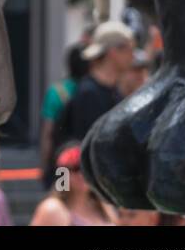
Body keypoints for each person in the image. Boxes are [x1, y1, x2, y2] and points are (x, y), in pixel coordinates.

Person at [54, 20, 135, 155]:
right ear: (113, 52)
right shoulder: (89, 94)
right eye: (129, 48)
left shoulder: (112, 91)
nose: (132, 55)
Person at [40, 38, 90, 188]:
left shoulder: (57, 92)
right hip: (87, 161)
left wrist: (45, 165)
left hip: (63, 159)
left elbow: (47, 133)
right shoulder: (94, 91)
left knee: (64, 197)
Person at [31, 143, 116, 226]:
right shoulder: (53, 209)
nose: (82, 174)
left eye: (87, 168)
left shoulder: (105, 208)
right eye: (76, 168)